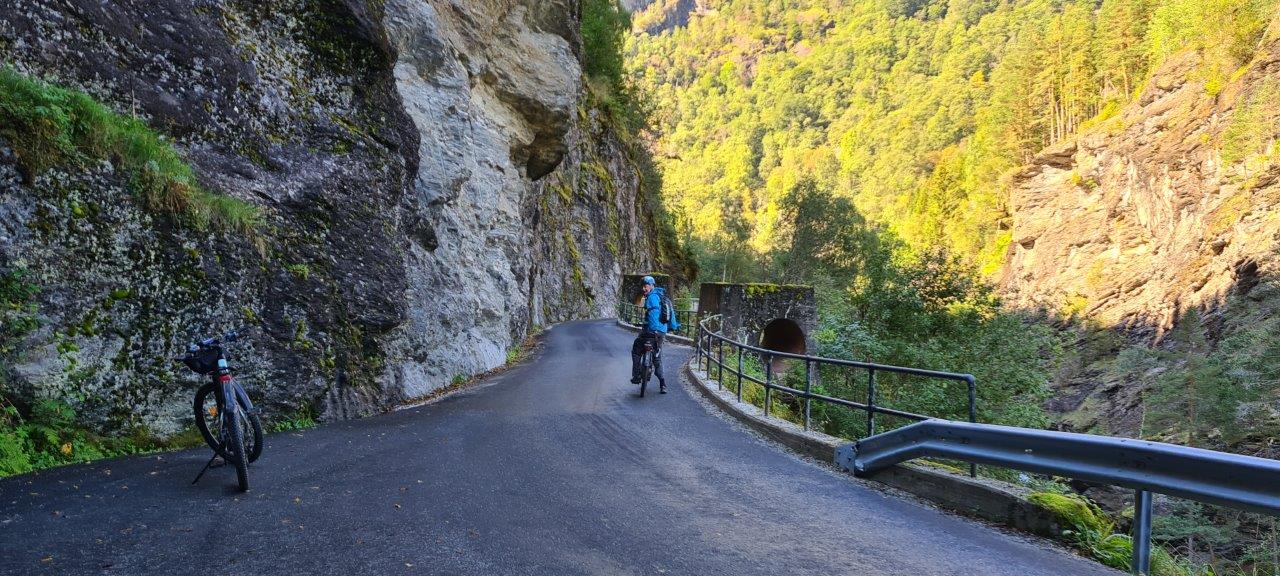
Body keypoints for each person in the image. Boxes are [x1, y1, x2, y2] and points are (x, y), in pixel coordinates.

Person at [630, 275, 679, 393]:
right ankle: (663, 384)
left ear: (652, 286)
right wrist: (672, 327)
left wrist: (652, 329)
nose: (643, 288)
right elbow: (671, 315)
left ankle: (636, 376)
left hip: (651, 331)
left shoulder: (652, 297)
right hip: (661, 332)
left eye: (646, 285)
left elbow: (653, 315)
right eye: (643, 286)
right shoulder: (664, 298)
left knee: (636, 349)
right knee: (657, 356)